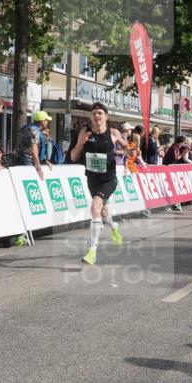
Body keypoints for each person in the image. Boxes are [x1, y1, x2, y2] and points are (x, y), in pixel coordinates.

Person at [70, 102, 127, 265]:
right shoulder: (84, 132)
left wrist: (130, 152)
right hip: (92, 178)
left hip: (109, 179)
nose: (97, 116)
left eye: (100, 113)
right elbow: (74, 157)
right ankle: (114, 227)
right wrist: (81, 143)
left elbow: (128, 148)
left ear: (106, 116)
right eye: (94, 113)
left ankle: (92, 251)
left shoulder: (114, 133)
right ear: (91, 116)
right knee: (102, 210)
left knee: (95, 207)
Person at [13, 110, 53, 178]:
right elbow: (34, 151)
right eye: (46, 120)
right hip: (26, 161)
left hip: (20, 159)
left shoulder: (28, 128)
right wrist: (39, 168)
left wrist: (44, 161)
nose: (47, 122)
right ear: (42, 121)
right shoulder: (35, 131)